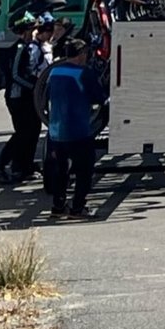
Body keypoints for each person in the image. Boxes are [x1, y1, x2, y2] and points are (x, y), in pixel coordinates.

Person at [42, 35, 104, 220]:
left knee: (62, 171)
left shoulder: (54, 73)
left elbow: (46, 97)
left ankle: (58, 206)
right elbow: (99, 98)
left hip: (56, 132)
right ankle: (78, 208)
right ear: (82, 54)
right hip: (77, 130)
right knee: (84, 170)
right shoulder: (84, 73)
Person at [0, 13, 45, 184]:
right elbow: (15, 75)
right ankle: (1, 165)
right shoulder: (20, 48)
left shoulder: (29, 47)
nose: (36, 32)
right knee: (23, 132)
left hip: (28, 97)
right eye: (33, 29)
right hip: (18, 97)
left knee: (34, 131)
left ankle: (24, 168)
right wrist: (34, 87)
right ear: (26, 31)